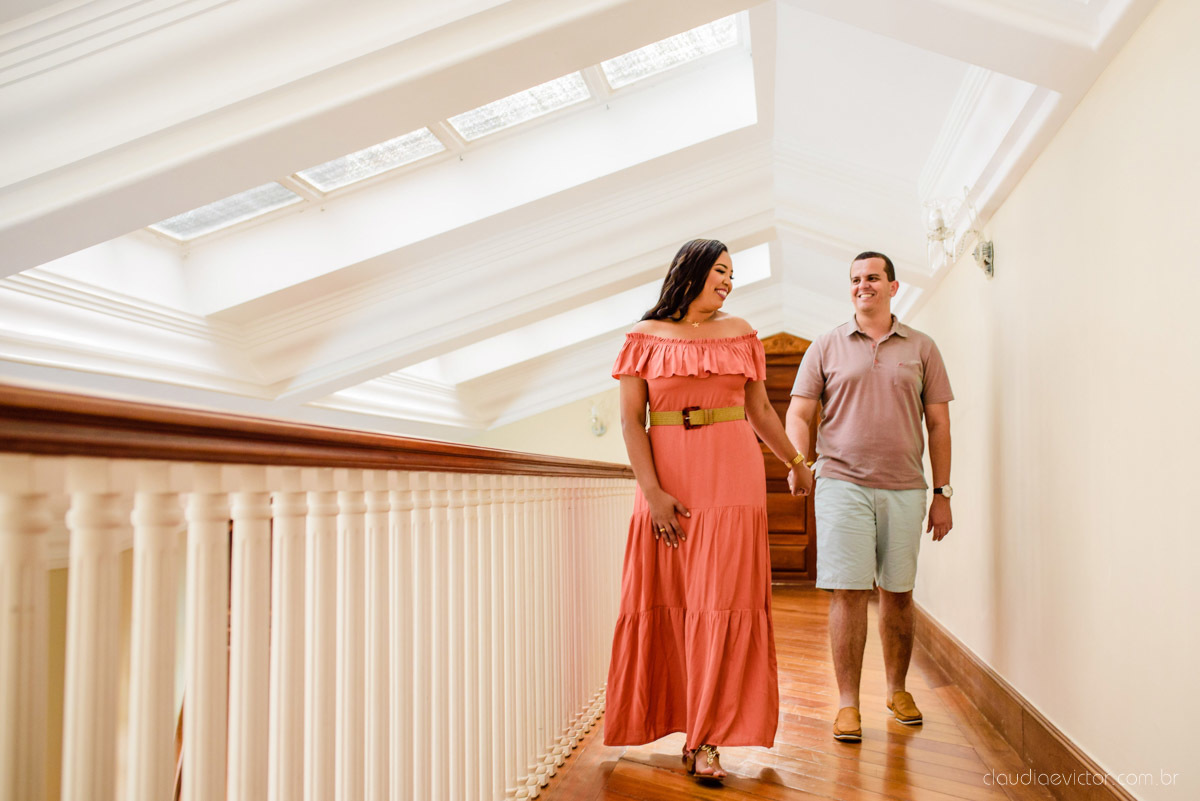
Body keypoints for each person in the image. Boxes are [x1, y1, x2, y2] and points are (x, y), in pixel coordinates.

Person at [603, 238, 813, 781]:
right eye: (720, 270)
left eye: (732, 274)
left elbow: (761, 408)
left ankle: (706, 739)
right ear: (691, 271)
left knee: (722, 601)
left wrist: (794, 460)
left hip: (733, 477)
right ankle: (676, 720)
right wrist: (652, 494)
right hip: (668, 477)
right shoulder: (642, 338)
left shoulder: (742, 332)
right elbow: (631, 421)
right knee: (673, 599)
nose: (728, 281)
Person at [785, 251, 953, 742]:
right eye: (856, 279)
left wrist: (942, 492)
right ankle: (847, 703)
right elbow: (799, 413)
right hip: (841, 484)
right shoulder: (825, 346)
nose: (864, 286)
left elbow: (939, 424)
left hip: (905, 487)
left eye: (873, 278)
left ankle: (897, 689)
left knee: (898, 593)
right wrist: (800, 462)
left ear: (893, 287)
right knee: (848, 593)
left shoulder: (922, 347)